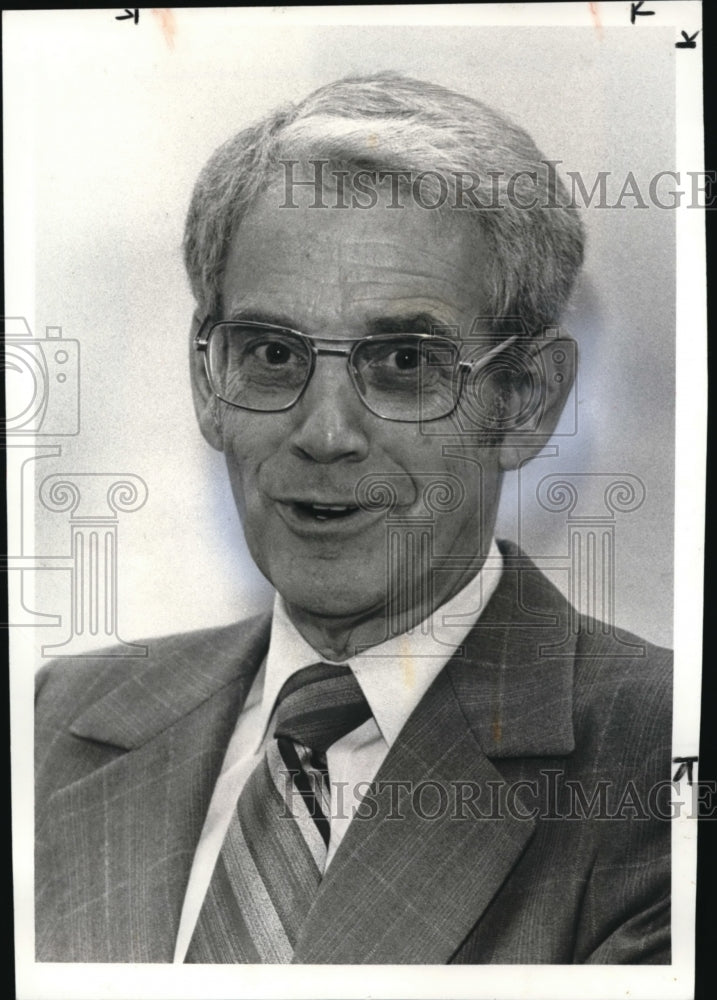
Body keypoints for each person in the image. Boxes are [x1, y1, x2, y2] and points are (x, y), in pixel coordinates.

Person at [35, 72, 672, 964]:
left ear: (526, 401)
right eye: (269, 352)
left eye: (404, 361)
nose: (325, 433)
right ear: (205, 384)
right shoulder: (49, 724)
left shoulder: (661, 762)